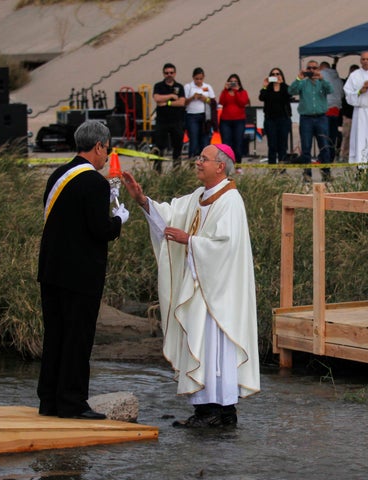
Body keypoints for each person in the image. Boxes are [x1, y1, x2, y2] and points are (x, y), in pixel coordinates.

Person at [122, 144, 260, 428]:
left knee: (213, 348)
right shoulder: (200, 196)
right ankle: (215, 411)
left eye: (203, 159)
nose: (197, 162)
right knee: (203, 345)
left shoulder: (230, 201)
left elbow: (227, 247)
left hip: (218, 292)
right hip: (201, 285)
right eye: (198, 158)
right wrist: (143, 201)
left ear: (220, 166)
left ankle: (215, 411)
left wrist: (190, 242)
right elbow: (171, 215)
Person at [37, 120, 129, 419]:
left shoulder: (57, 174)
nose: (106, 156)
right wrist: (119, 220)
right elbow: (100, 230)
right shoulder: (95, 182)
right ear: (99, 146)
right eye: (107, 149)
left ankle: (49, 401)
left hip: (51, 270)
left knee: (55, 336)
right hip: (80, 275)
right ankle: (72, 402)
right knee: (77, 339)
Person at [288, 59, 333, 182]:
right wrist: (298, 78)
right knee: (306, 147)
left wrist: (322, 79)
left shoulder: (322, 83)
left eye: (314, 68)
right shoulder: (303, 83)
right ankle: (307, 173)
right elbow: (291, 91)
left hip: (321, 118)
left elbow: (331, 90)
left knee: (324, 146)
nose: (312, 70)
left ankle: (326, 172)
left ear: (318, 69)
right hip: (306, 118)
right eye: (309, 68)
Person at [153, 62, 186, 171]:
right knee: (159, 147)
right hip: (162, 121)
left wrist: (167, 103)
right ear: (163, 74)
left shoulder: (179, 87)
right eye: (167, 73)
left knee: (177, 147)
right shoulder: (158, 86)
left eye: (171, 72)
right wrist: (171, 96)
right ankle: (157, 171)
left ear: (175, 73)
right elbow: (157, 99)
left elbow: (181, 102)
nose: (169, 74)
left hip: (176, 121)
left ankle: (176, 170)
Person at [259, 67, 292, 166]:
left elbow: (289, 95)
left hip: (283, 119)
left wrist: (282, 83)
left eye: (278, 74)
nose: (276, 76)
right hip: (270, 120)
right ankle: (272, 168)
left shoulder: (285, 87)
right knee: (272, 145)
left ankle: (282, 168)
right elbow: (262, 97)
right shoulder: (268, 88)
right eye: (273, 74)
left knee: (282, 145)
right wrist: (264, 86)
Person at [219, 73, 250, 168]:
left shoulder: (243, 92)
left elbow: (242, 103)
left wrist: (236, 92)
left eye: (235, 82)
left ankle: (238, 165)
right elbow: (221, 102)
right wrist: (225, 89)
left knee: (238, 143)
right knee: (226, 144)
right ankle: (227, 166)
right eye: (231, 82)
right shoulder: (224, 92)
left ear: (239, 83)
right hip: (225, 121)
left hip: (239, 121)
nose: (233, 83)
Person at [184, 67, 216, 159]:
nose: (199, 81)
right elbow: (184, 102)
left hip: (205, 116)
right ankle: (191, 160)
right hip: (192, 115)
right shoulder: (188, 87)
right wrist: (192, 97)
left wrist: (205, 99)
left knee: (205, 140)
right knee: (194, 140)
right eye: (197, 79)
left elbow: (213, 101)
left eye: (201, 79)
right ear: (193, 78)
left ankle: (205, 161)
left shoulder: (207, 87)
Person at [320, 61, 344, 160]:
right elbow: (342, 93)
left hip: (325, 109)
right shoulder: (338, 78)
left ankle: (324, 158)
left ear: (321, 67)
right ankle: (331, 157)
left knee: (324, 137)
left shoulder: (322, 75)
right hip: (336, 110)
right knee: (332, 137)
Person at [339, 64, 359, 160]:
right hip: (348, 114)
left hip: (359, 114)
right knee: (347, 135)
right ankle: (344, 155)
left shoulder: (360, 83)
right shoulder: (346, 83)